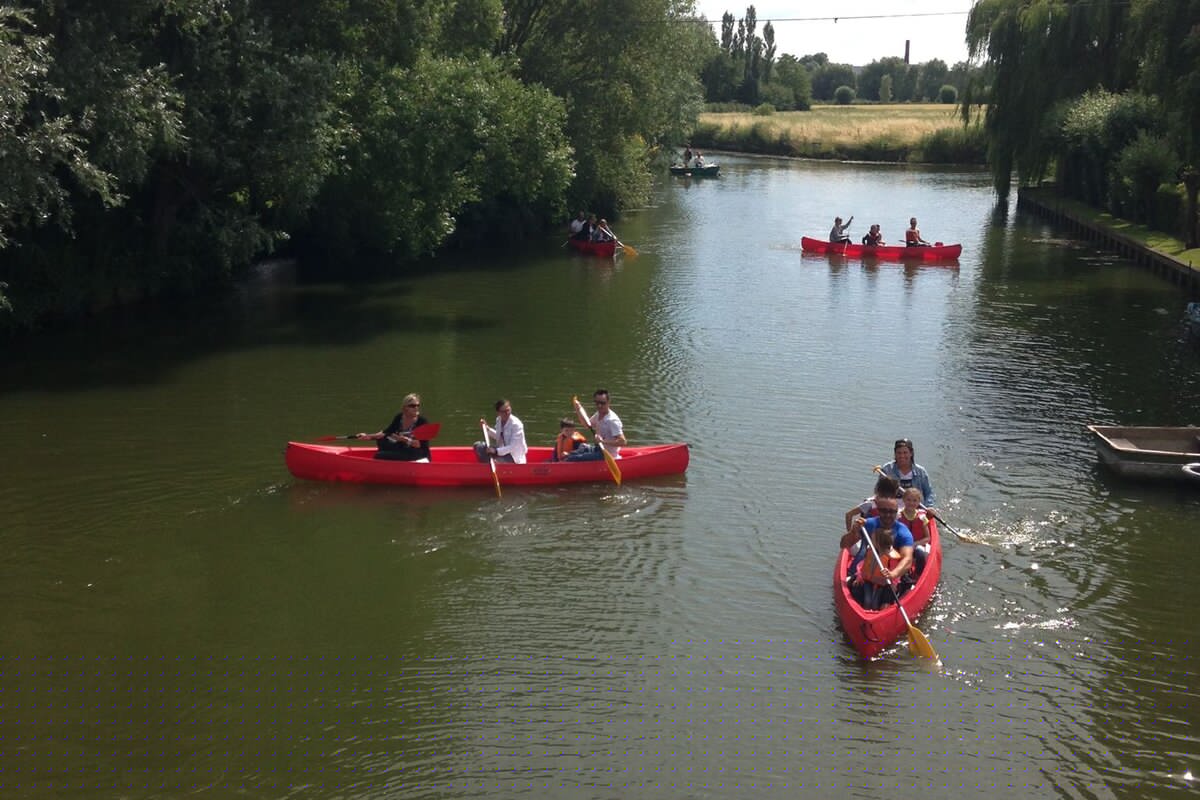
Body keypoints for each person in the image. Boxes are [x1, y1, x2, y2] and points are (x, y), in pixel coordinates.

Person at [845, 494, 914, 604]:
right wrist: (854, 531)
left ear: (896, 512)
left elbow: (908, 560)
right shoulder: (869, 523)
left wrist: (893, 574)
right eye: (884, 511)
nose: (887, 514)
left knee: (888, 595)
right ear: (879, 511)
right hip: (869, 573)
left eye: (891, 511)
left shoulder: (903, 532)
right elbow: (845, 544)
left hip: (891, 575)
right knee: (856, 590)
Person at [355, 393, 432, 462]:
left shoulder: (422, 421)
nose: (416, 408)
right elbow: (387, 432)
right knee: (381, 439)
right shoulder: (399, 417)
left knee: (379, 456)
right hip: (404, 448)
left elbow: (419, 445)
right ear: (405, 407)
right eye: (412, 406)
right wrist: (367, 436)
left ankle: (386, 458)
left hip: (418, 453)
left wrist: (403, 439)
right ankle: (390, 458)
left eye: (417, 405)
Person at [565, 388, 626, 461]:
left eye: (602, 403)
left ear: (608, 402)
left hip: (606, 455)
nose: (599, 406)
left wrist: (602, 441)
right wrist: (578, 410)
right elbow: (586, 425)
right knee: (578, 450)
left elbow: (622, 442)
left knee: (572, 458)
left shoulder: (612, 421)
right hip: (598, 449)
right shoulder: (598, 414)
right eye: (597, 403)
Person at [879, 438, 936, 507]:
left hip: (915, 510)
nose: (902, 456)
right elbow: (880, 492)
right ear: (895, 454)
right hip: (892, 509)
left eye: (905, 453)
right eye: (899, 453)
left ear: (911, 453)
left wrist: (929, 506)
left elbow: (929, 493)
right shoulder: (887, 470)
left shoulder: (921, 472)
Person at [855, 527, 901, 610]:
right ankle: (863, 612)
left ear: (879, 543)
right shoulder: (871, 550)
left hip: (883, 584)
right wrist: (859, 577)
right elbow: (863, 564)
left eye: (874, 540)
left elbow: (896, 573)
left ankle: (877, 612)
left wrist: (893, 583)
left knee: (875, 605)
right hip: (868, 580)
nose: (871, 541)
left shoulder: (891, 557)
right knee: (867, 601)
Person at [843, 474, 901, 539]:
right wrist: (851, 533)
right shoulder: (870, 504)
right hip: (869, 537)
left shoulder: (894, 506)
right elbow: (849, 515)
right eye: (897, 490)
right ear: (893, 492)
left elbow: (849, 515)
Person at [474, 398, 528, 464]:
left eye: (508, 410)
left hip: (513, 456)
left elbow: (513, 447)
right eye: (503, 411)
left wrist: (496, 451)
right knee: (478, 446)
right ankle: (489, 464)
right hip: (502, 451)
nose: (507, 413)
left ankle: (490, 463)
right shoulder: (499, 420)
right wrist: (487, 429)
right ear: (498, 412)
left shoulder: (516, 425)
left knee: (495, 461)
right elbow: (499, 436)